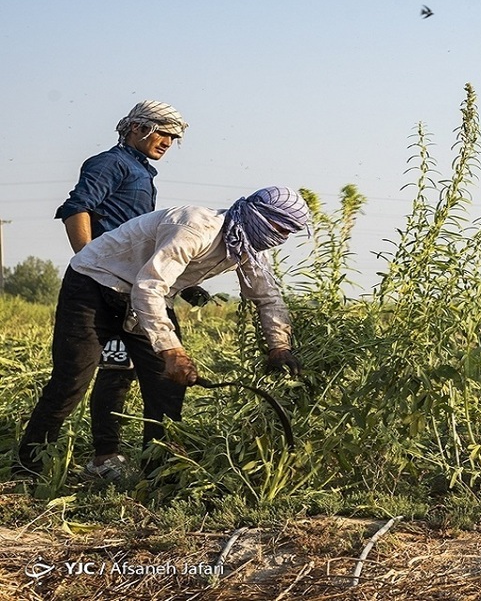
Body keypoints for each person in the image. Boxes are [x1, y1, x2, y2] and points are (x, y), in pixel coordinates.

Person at [14, 186, 309, 478]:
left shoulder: (246, 250)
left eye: (289, 232)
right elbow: (149, 286)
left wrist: (279, 347)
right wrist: (172, 351)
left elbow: (267, 298)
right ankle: (28, 467)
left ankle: (158, 473)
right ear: (256, 215)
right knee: (71, 380)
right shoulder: (196, 227)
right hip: (95, 282)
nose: (281, 237)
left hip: (144, 296)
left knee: (167, 387)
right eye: (280, 228)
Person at [53, 100, 197, 480]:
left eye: (173, 137)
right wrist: (87, 261)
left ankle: (156, 462)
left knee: (132, 369)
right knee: (101, 374)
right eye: (162, 132)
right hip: (101, 289)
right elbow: (76, 208)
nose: (168, 141)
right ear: (136, 127)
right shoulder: (110, 163)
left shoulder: (142, 171)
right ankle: (102, 458)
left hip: (131, 288)